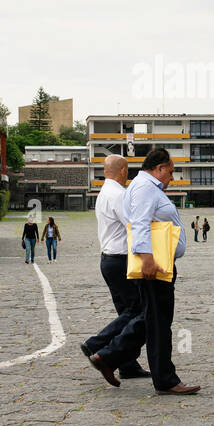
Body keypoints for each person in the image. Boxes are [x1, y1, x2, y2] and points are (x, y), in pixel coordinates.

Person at [86, 148, 199, 395]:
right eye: (170, 172)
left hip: (158, 263)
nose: (172, 178)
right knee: (157, 324)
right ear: (158, 169)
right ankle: (162, 378)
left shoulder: (143, 187)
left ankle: (107, 356)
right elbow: (139, 222)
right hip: (154, 265)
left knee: (152, 320)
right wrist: (147, 258)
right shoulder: (146, 188)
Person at [80, 155, 150, 381]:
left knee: (125, 312)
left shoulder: (103, 193)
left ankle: (127, 364)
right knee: (138, 310)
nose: (128, 174)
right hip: (121, 260)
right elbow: (133, 225)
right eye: (127, 170)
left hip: (108, 259)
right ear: (122, 170)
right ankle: (96, 343)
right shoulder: (119, 195)